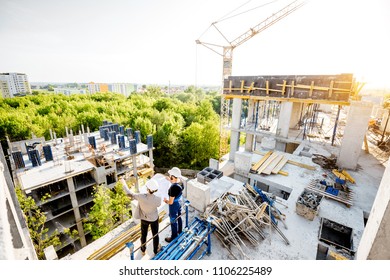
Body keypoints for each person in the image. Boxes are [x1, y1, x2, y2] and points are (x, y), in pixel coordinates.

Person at [120, 178, 161, 256]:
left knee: (143, 234)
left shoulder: (141, 196)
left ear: (147, 188)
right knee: (155, 235)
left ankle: (143, 250)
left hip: (144, 219)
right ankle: (155, 251)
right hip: (154, 219)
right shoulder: (158, 199)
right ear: (155, 190)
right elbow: (158, 205)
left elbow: (129, 194)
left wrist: (123, 183)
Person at [163, 167, 184, 243]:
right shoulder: (181, 181)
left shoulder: (173, 188)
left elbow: (171, 202)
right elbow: (176, 183)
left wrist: (166, 201)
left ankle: (174, 237)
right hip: (179, 202)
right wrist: (170, 180)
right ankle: (180, 231)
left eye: (170, 176)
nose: (169, 176)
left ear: (173, 177)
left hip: (173, 205)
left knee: (173, 220)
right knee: (179, 216)